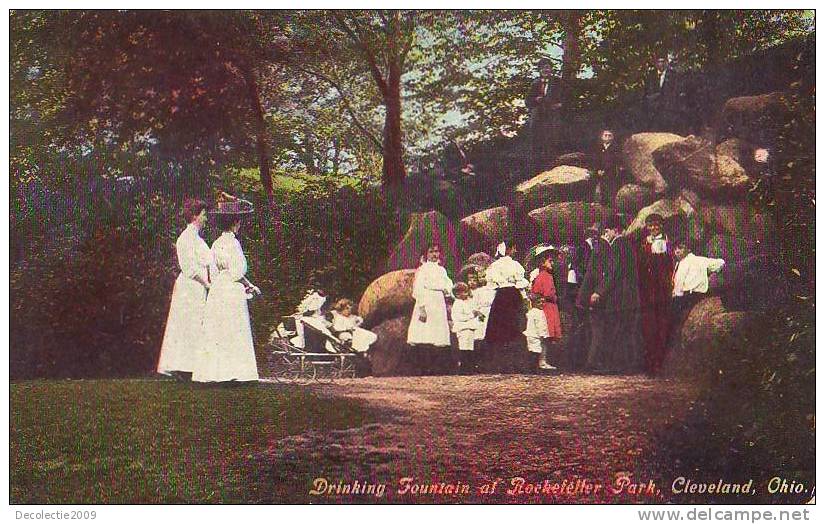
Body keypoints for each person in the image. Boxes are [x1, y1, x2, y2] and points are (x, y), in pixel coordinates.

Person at [192, 202, 259, 384]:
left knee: (218, 329)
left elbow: (214, 271)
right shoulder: (233, 243)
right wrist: (247, 284)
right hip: (230, 289)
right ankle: (235, 372)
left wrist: (247, 284)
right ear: (235, 223)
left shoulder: (216, 244)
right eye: (239, 222)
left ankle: (216, 373)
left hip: (218, 288)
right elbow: (238, 270)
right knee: (233, 328)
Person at [576, 217, 643, 374]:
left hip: (623, 296)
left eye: (608, 231)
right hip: (628, 295)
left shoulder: (620, 244)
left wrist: (600, 291)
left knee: (621, 330)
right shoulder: (625, 245)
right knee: (625, 330)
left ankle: (621, 366)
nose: (606, 235)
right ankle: (624, 365)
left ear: (616, 230)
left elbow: (614, 272)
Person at [157, 198, 215, 379]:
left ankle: (192, 366)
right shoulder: (185, 238)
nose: (206, 218)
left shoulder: (197, 239)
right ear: (195, 216)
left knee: (196, 325)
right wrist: (207, 284)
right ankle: (182, 367)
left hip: (198, 289)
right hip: (189, 288)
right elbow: (189, 268)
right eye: (204, 215)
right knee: (186, 326)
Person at [407, 244, 454, 374]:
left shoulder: (442, 270)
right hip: (427, 301)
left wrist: (447, 290)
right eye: (431, 252)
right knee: (424, 333)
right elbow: (418, 288)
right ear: (426, 254)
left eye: (437, 251)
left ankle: (436, 369)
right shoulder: (423, 269)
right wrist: (422, 308)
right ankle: (423, 369)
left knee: (438, 334)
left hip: (438, 302)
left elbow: (448, 286)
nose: (434, 254)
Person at [636, 213, 674, 375]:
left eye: (656, 225)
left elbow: (671, 264)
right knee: (648, 326)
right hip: (648, 289)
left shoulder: (668, 243)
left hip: (663, 289)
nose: (653, 228)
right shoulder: (644, 243)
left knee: (662, 325)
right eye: (650, 226)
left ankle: (659, 362)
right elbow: (640, 266)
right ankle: (649, 362)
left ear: (661, 226)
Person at [484, 241, 530, 372]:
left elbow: (491, 283)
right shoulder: (514, 265)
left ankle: (500, 363)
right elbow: (520, 282)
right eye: (514, 248)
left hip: (501, 296)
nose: (515, 251)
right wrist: (524, 298)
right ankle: (510, 363)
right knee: (513, 327)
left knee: (500, 327)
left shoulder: (495, 265)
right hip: (512, 295)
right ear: (509, 249)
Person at [671, 241, 726, 331]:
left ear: (688, 249)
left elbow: (679, 284)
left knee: (676, 319)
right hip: (692, 294)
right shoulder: (684, 262)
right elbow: (720, 263)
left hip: (689, 295)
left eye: (680, 248)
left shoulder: (694, 260)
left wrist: (706, 273)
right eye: (675, 249)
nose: (677, 251)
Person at [526, 57, 564, 174]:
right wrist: (536, 100)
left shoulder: (557, 82)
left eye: (547, 67)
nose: (545, 70)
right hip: (539, 117)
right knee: (537, 141)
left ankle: (552, 166)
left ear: (551, 69)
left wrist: (559, 105)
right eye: (543, 68)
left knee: (552, 139)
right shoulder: (535, 84)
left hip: (552, 116)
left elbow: (566, 98)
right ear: (539, 70)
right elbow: (528, 101)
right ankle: (536, 169)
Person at [530, 249, 563, 370]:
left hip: (548, 306)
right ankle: (541, 361)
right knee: (544, 334)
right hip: (547, 307)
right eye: (550, 261)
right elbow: (547, 293)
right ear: (543, 262)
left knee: (544, 335)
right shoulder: (545, 276)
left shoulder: (543, 275)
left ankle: (542, 360)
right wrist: (554, 296)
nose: (552, 263)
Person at [451, 282, 483, 374]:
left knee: (469, 347)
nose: (466, 294)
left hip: (470, 327)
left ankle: (469, 367)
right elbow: (458, 317)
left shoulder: (466, 302)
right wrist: (471, 315)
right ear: (457, 294)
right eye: (463, 292)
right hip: (463, 328)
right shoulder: (457, 304)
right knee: (464, 347)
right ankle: (463, 368)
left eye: (466, 292)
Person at [644, 56, 679, 131]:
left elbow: (675, 91)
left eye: (663, 61)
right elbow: (647, 91)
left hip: (668, 108)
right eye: (659, 62)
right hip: (653, 109)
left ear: (666, 62)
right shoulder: (650, 75)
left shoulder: (673, 75)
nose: (661, 64)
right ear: (655, 63)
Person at [590, 129, 623, 205]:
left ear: (612, 138)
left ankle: (610, 206)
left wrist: (605, 170)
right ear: (602, 137)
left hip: (610, 172)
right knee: (600, 188)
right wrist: (598, 169)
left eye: (609, 135)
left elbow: (614, 161)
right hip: (599, 172)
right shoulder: (598, 147)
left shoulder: (615, 148)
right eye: (605, 135)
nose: (607, 137)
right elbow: (596, 159)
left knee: (610, 189)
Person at [524, 294, 555, 373]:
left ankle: (532, 367)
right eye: (539, 302)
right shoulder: (538, 313)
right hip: (536, 335)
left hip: (530, 334)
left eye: (542, 302)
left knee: (532, 350)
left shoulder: (531, 312)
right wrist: (543, 334)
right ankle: (533, 368)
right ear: (534, 303)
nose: (541, 304)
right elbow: (540, 325)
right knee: (536, 351)